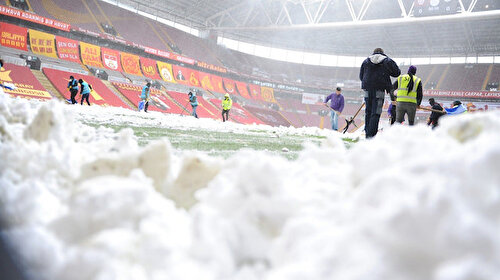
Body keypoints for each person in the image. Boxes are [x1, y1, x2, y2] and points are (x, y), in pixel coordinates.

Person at [359, 47, 401, 138]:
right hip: (379, 90)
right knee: (376, 112)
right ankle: (372, 135)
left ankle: (367, 133)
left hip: (367, 90)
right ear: (383, 53)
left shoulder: (366, 61)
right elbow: (397, 72)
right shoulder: (387, 61)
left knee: (368, 112)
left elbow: (361, 76)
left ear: (373, 53)